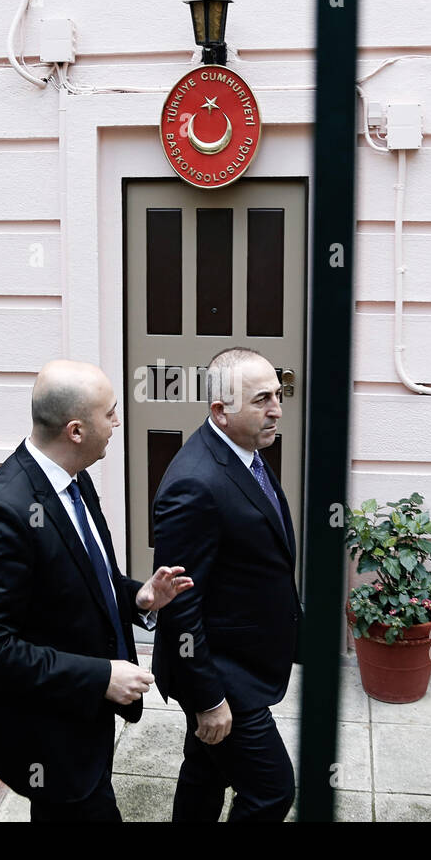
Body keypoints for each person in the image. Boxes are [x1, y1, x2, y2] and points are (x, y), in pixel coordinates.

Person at [0, 359, 192, 821]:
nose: (118, 423)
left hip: (83, 722)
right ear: (77, 430)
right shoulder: (2, 513)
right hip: (46, 734)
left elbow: (85, 581)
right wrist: (101, 677)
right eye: (111, 413)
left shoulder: (74, 478)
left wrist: (138, 598)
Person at [151, 347, 302, 822]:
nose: (277, 409)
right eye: (262, 400)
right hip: (224, 677)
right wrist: (210, 699)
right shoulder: (195, 483)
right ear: (221, 410)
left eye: (278, 395)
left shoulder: (244, 453)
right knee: (271, 791)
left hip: (243, 663)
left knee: (205, 772)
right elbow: (179, 605)